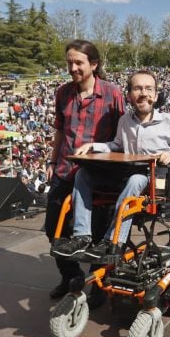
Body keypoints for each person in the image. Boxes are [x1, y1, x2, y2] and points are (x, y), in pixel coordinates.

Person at [53, 69, 170, 261]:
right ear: (129, 95)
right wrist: (93, 146)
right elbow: (116, 146)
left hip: (153, 179)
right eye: (138, 88)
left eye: (149, 89)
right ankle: (81, 236)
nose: (143, 93)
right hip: (124, 174)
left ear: (156, 95)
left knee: (136, 180)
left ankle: (113, 241)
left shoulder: (169, 121)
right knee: (82, 175)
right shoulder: (125, 120)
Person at [45, 40, 125, 299]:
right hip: (65, 170)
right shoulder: (62, 93)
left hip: (99, 175)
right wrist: (51, 161)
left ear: (93, 64)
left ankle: (98, 287)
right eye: (69, 62)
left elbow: (123, 135)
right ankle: (72, 278)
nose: (72, 67)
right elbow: (59, 130)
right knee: (52, 227)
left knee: (99, 234)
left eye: (78, 62)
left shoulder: (113, 93)